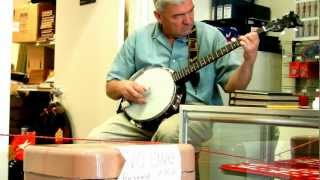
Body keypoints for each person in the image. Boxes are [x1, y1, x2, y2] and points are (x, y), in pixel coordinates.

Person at [88, 0, 259, 159]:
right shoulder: (139, 38)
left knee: (169, 133)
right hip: (141, 118)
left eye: (191, 11)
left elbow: (234, 86)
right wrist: (123, 86)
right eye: (178, 16)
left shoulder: (211, 36)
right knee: (93, 142)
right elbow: (111, 87)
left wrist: (249, 61)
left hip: (193, 115)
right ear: (158, 16)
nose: (188, 20)